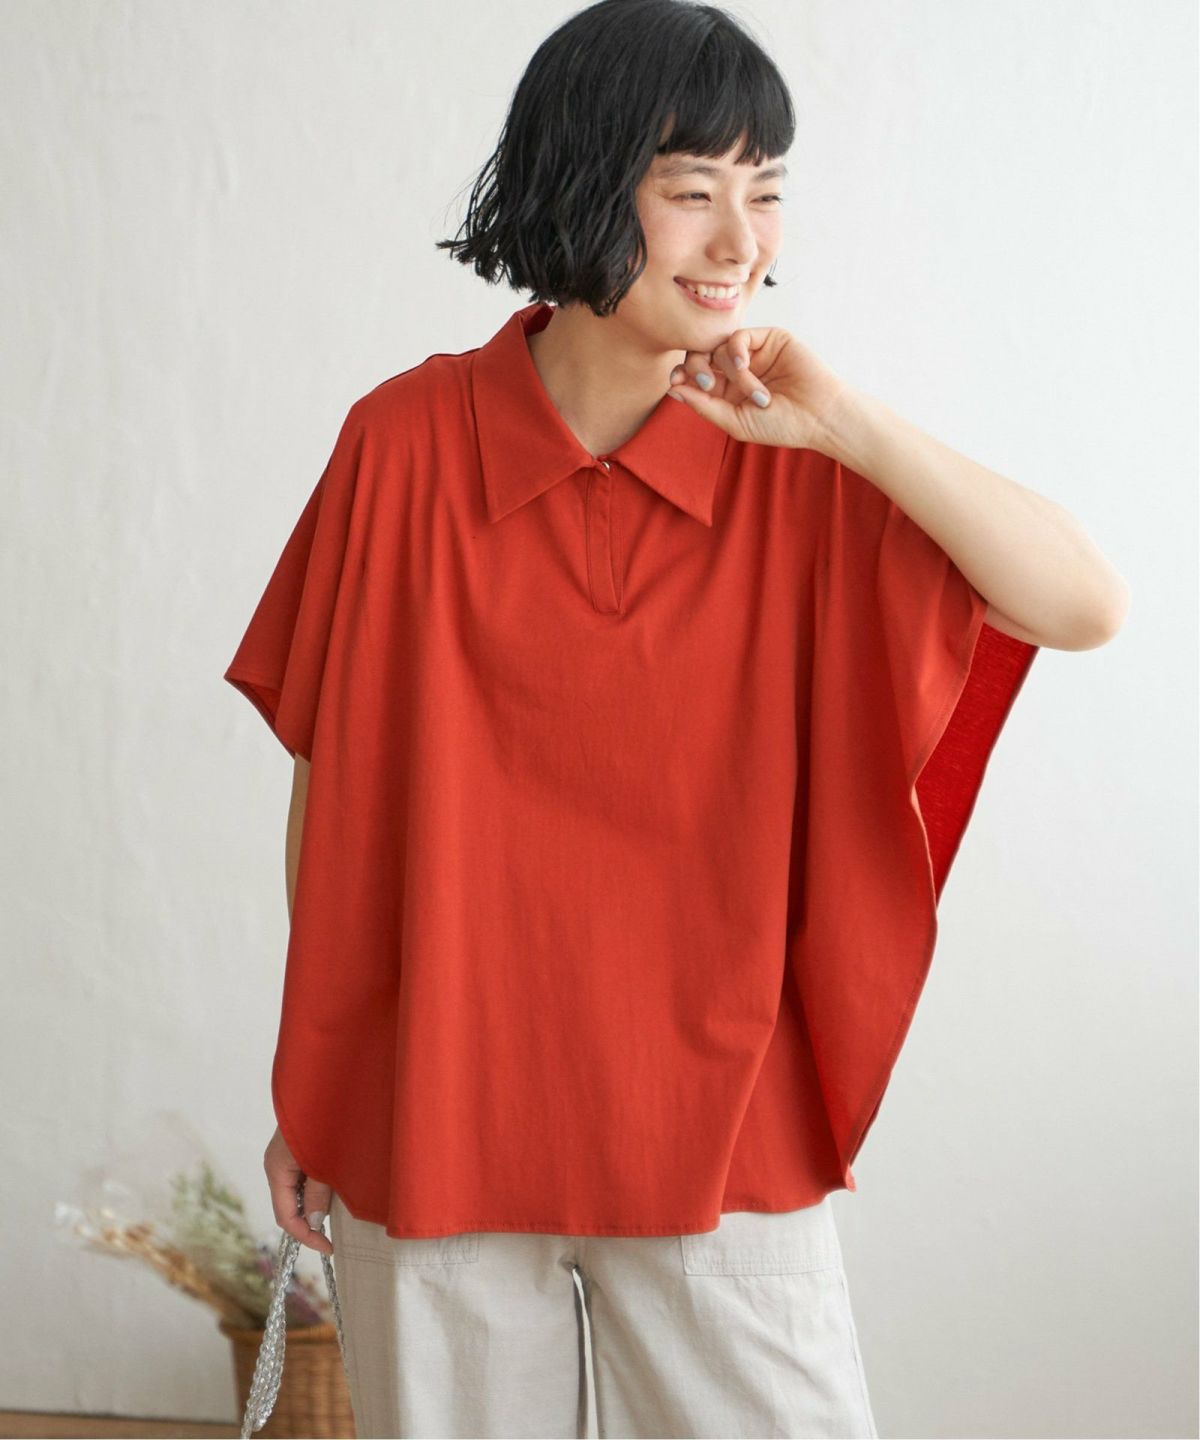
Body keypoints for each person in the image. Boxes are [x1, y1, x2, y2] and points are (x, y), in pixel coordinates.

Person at [225, 2, 1129, 1436]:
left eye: (766, 191)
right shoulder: (402, 442)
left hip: (724, 1136)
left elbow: (1083, 604)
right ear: (584, 183)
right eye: (694, 189)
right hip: (436, 1112)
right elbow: (332, 791)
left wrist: (847, 423)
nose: (740, 241)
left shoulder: (800, 465)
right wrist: (318, 1085)